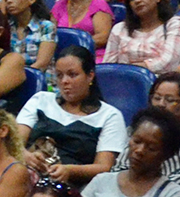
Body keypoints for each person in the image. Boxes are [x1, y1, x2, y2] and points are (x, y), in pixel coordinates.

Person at [16, 46, 127, 189]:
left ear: (90, 76)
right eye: (59, 75)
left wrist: (69, 170)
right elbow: (15, 142)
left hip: (73, 186)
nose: (64, 81)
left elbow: (104, 167)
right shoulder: (41, 100)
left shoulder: (109, 116)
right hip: (26, 175)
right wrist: (26, 155)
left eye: (72, 75)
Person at [105, 0, 180, 75]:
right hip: (123, 82)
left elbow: (170, 62)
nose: (137, 1)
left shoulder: (175, 24)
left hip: (161, 83)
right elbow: (108, 66)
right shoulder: (120, 28)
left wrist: (134, 70)